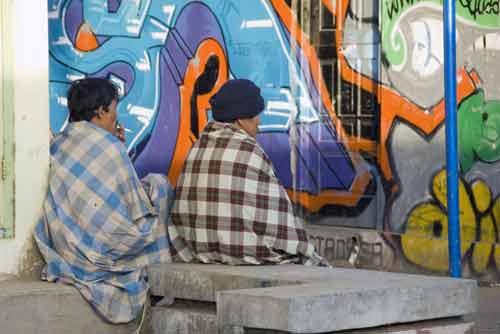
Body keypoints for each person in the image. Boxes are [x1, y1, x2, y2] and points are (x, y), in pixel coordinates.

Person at [34, 78, 173, 324]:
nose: (115, 117)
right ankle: (162, 276)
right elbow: (136, 203)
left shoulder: (61, 142)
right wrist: (118, 148)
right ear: (101, 111)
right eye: (114, 109)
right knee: (159, 187)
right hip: (106, 250)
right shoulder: (109, 147)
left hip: (69, 247)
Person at [168, 79, 325, 266]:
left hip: (197, 252)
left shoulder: (197, 148)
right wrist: (309, 252)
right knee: (309, 260)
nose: (259, 122)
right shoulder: (249, 151)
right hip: (243, 256)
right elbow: (280, 226)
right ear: (241, 119)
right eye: (255, 115)